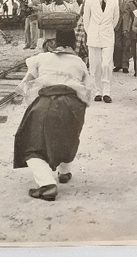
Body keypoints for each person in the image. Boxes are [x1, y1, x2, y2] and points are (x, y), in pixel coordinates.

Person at [13, 31, 92, 201]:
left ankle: (47, 185)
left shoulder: (42, 58)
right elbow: (89, 90)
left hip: (46, 103)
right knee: (68, 137)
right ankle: (64, 172)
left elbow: (24, 84)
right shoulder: (79, 62)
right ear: (73, 46)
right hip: (72, 105)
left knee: (31, 142)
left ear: (55, 44)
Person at [82, 0, 119, 103]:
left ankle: (106, 92)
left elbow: (115, 19)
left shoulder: (114, 2)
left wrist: (107, 30)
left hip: (108, 35)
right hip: (94, 36)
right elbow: (86, 20)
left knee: (106, 65)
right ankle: (97, 91)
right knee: (95, 65)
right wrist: (92, 32)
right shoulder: (89, 1)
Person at [112, 0, 137, 73]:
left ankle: (125, 65)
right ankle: (117, 64)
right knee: (117, 44)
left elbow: (134, 12)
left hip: (128, 23)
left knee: (127, 44)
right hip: (117, 23)